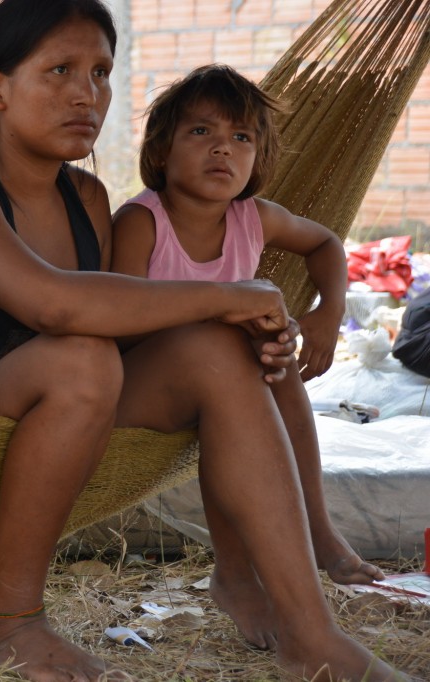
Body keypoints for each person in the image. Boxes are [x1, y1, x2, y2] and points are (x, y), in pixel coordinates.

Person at [0, 1, 410, 680]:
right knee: (83, 359)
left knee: (216, 349)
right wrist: (232, 294)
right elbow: (55, 306)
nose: (87, 94)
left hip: (58, 421)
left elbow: (119, 313)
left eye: (100, 73)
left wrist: (254, 323)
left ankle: (307, 633)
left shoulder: (85, 198)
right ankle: (8, 626)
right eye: (60, 70)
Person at [111, 63, 384, 590]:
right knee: (240, 349)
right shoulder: (141, 221)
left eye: (241, 137)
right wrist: (223, 323)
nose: (223, 148)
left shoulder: (252, 218)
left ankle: (318, 529)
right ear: (161, 152)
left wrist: (329, 311)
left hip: (227, 389)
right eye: (201, 131)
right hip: (143, 391)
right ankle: (241, 570)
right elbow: (121, 322)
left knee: (272, 364)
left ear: (257, 158)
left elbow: (325, 243)